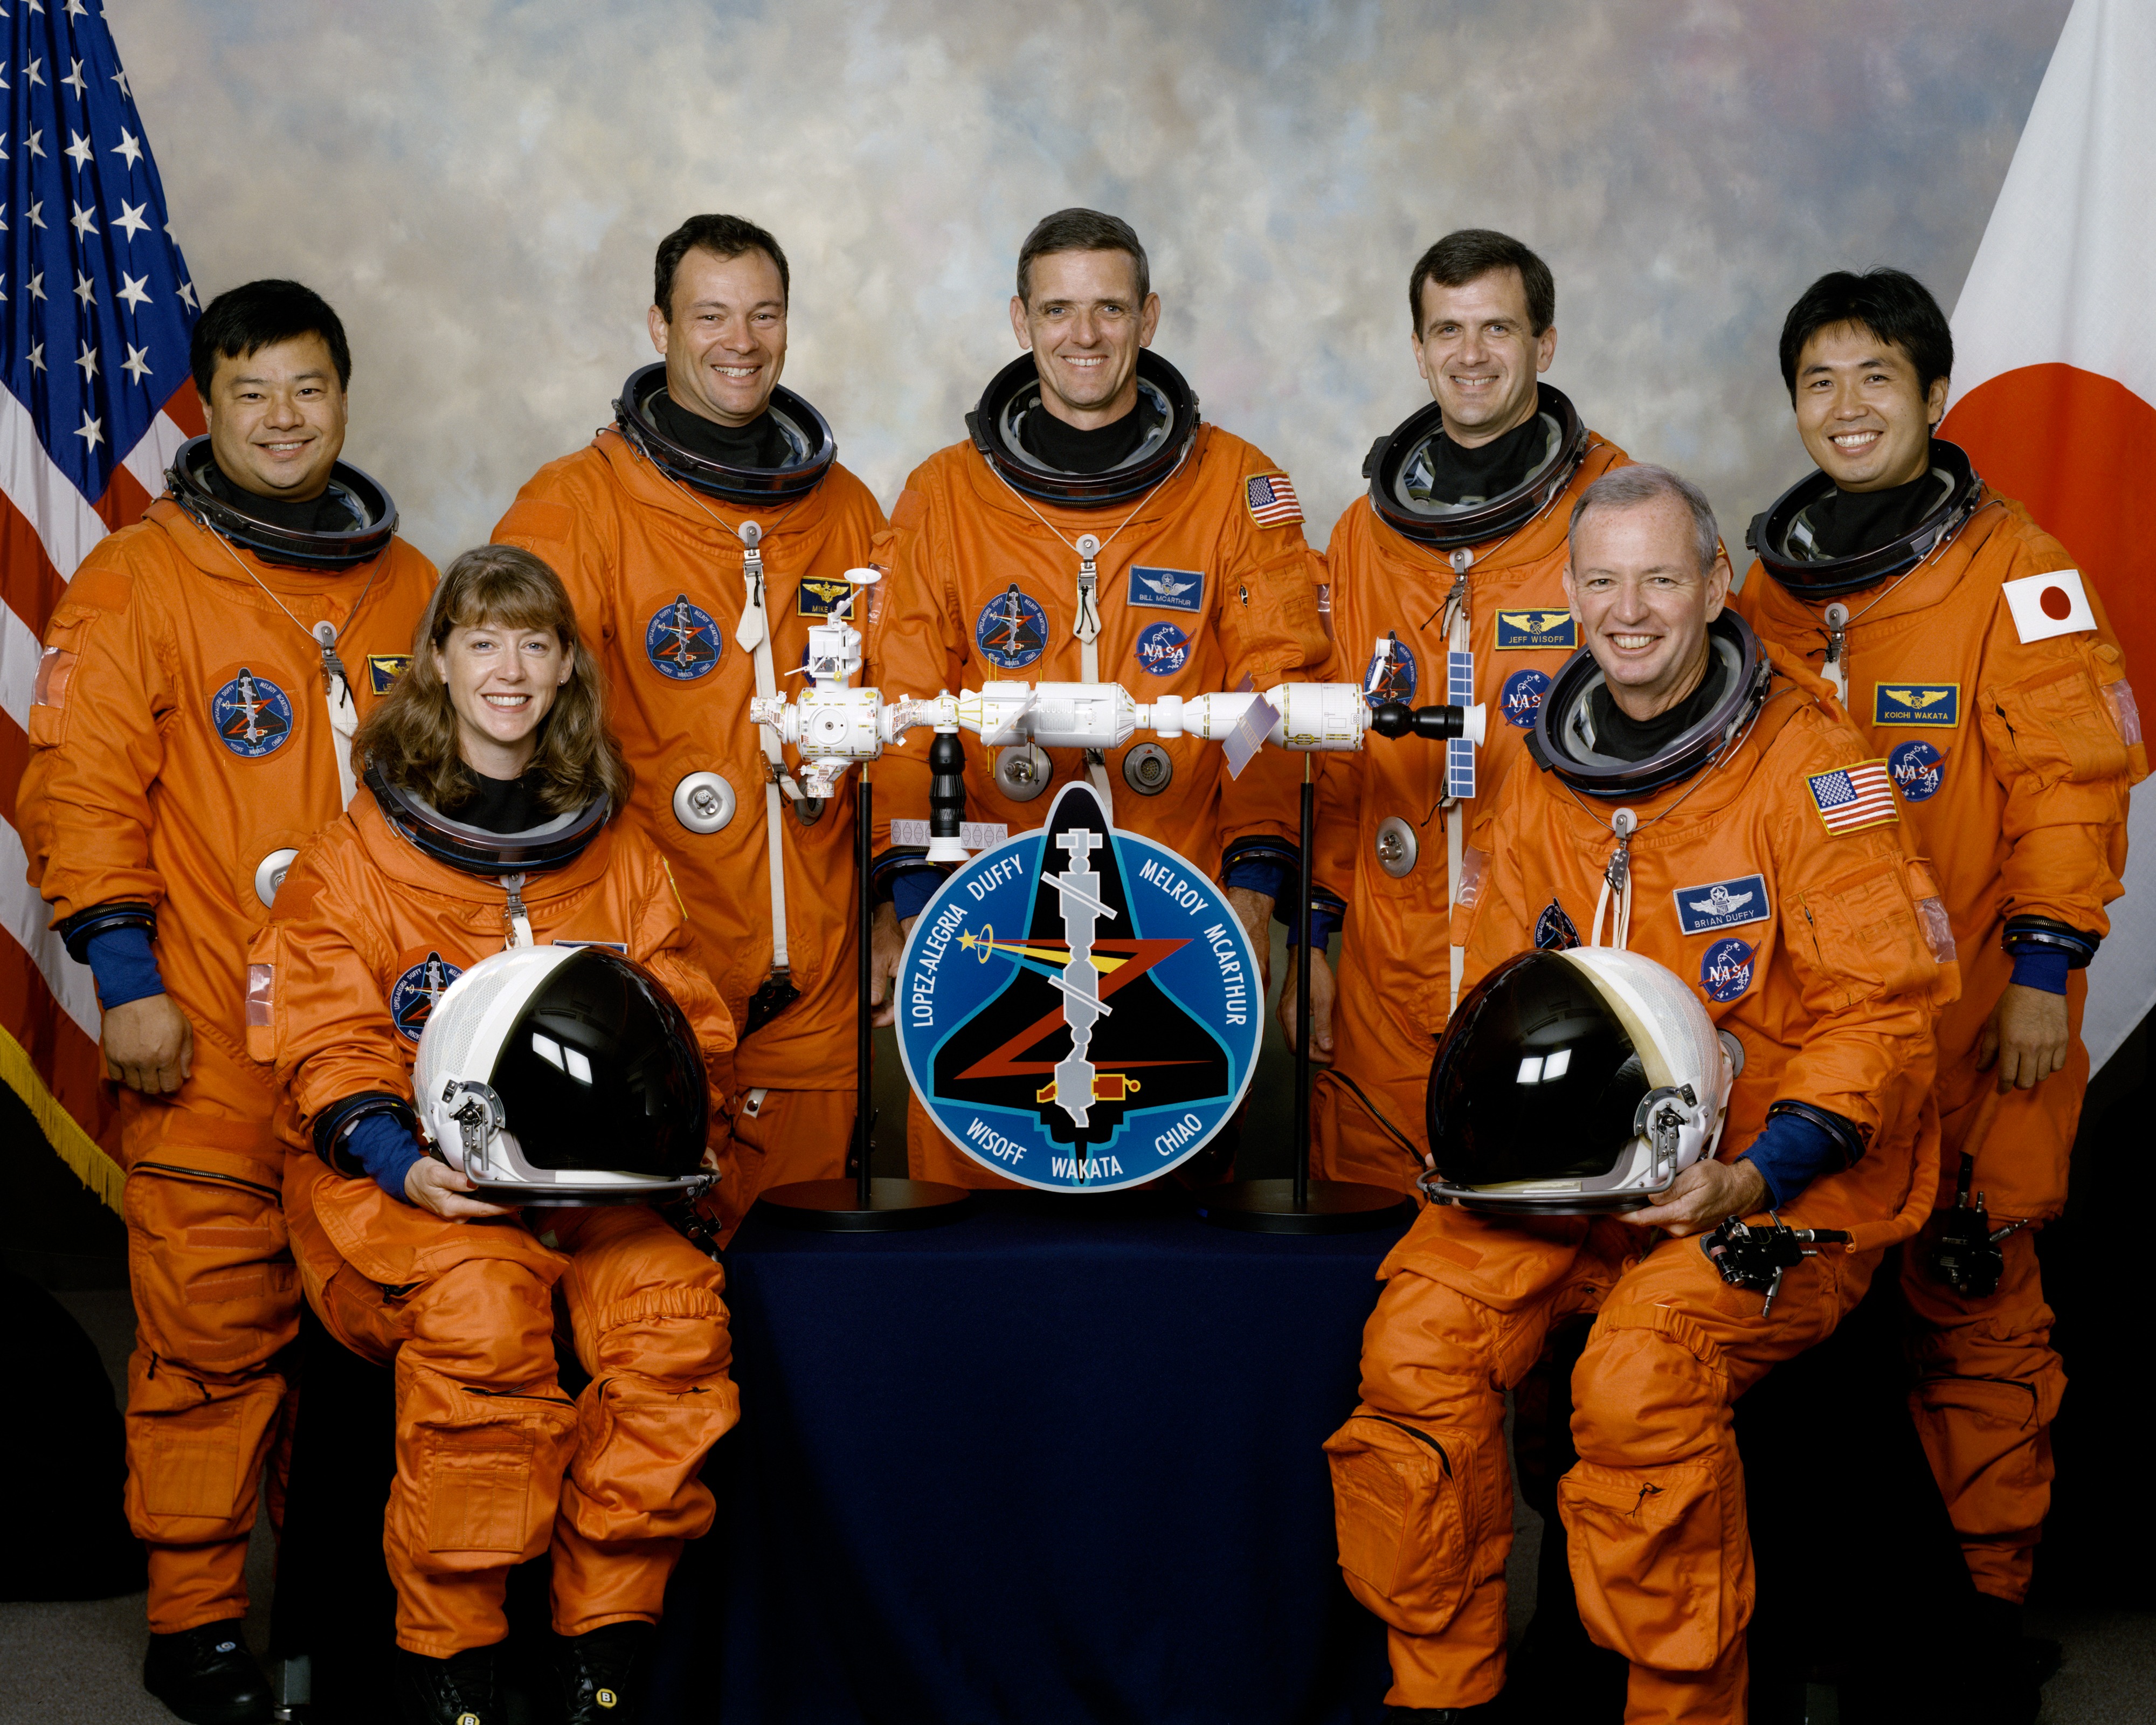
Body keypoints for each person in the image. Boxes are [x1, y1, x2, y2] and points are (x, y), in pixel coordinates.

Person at [1329, 466, 1954, 1723]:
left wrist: (1755, 1168)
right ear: (1565, 594)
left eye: (1660, 579)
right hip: (1563, 1175)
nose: (1629, 610)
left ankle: (1681, 1709)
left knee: (1633, 1376)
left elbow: (1882, 1010)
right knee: (1414, 1347)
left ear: (1716, 587)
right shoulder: (1541, 767)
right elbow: (1508, 985)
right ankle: (1438, 1696)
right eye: (1602, 581)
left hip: (1766, 1173)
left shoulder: (1810, 767)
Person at [18, 280, 437, 1723]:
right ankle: (192, 1625)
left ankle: (338, 1616)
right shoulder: (142, 580)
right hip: (202, 1029)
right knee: (208, 1333)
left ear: (343, 398)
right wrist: (122, 982)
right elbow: (78, 790)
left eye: (308, 389)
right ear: (206, 404)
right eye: (252, 392)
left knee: (375, 1340)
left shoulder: (411, 588)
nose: (282, 419)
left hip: (379, 1049)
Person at [251, 546, 740, 1725]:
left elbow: (683, 1019)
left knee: (671, 1314)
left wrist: (653, 1141)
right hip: (415, 1189)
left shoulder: (615, 852)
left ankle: (603, 1643)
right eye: (482, 641)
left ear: (566, 666)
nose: (508, 669)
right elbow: (325, 1043)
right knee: (482, 1313)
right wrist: (400, 1162)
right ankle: (448, 1658)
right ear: (438, 662)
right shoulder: (357, 857)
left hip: (586, 1187)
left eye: (533, 643)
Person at [1734, 269, 2145, 1636]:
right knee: (1801, 1304)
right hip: (1820, 1027)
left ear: (1932, 396)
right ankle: (1834, 1603)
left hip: (1979, 1007)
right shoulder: (1770, 590)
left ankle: (1989, 1616)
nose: (1844, 410)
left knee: (1970, 1302)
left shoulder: (2015, 570)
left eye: (1874, 380)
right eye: (1817, 383)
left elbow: (2072, 785)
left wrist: (2043, 966)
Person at [864, 206, 1330, 1187]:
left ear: (1149, 318)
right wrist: (911, 897)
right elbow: (904, 702)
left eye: (1110, 308)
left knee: (1172, 1197)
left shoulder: (1237, 487)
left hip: (1185, 901)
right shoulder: (943, 497)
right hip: (982, 902)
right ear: (1020, 320)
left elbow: (1271, 696)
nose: (1085, 335)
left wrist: (1251, 881)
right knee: (980, 1182)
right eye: (1060, 309)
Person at [492, 214, 886, 1231]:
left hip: (821, 978)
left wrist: (892, 909)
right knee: (657, 1288)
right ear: (660, 322)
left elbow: (903, 725)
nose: (739, 342)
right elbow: (513, 725)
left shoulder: (846, 511)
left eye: (764, 315)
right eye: (710, 315)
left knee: (803, 1280)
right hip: (651, 970)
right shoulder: (577, 505)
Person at [1283, 229, 1630, 1195]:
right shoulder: (1364, 536)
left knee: (1546, 1224)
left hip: (1556, 940)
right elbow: (1335, 753)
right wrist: (1313, 941)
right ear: (1419, 346)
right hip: (1388, 956)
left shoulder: (1618, 512)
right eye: (1448, 329)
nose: (1470, 355)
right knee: (1374, 1225)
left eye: (1497, 329)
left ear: (1545, 345)